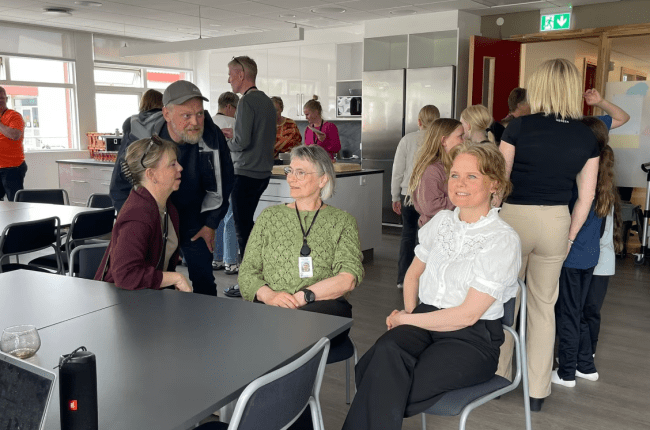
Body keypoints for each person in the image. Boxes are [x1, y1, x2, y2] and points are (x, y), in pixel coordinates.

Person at [342, 142, 521, 430]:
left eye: (472, 176)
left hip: (472, 339)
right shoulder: (441, 222)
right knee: (384, 357)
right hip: (425, 318)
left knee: (384, 381)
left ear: (494, 184)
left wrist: (407, 320)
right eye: (455, 175)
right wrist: (410, 316)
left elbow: (467, 315)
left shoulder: (502, 239)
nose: (459, 183)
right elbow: (412, 275)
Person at [497, 58, 600, 412]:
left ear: (538, 87)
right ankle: (537, 391)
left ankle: (499, 376)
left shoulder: (518, 127)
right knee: (544, 307)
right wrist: (569, 236)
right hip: (557, 220)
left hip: (515, 219)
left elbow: (499, 183)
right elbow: (586, 196)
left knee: (505, 301)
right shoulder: (586, 136)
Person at [109, 80, 234, 297]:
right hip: (153, 215)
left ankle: (209, 318)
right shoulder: (141, 135)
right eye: (186, 115)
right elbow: (120, 185)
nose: (195, 122)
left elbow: (226, 179)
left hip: (194, 216)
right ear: (166, 114)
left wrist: (211, 223)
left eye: (199, 114)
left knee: (204, 278)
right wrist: (135, 220)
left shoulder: (211, 135)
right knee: (154, 276)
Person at [238, 144, 363, 325]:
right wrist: (269, 295)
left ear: (322, 180)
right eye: (290, 171)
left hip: (321, 307)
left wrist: (304, 296)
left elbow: (347, 278)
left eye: (301, 173)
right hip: (272, 305)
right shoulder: (269, 217)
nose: (291, 178)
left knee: (296, 326)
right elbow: (247, 271)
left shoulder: (343, 221)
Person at [553, 117, 623, 388]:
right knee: (579, 312)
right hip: (590, 257)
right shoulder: (603, 178)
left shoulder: (580, 177)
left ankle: (566, 372)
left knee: (568, 314)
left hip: (572, 257)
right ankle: (586, 365)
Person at [96, 135, 191, 293]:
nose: (180, 168)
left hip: (146, 296)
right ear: (151, 174)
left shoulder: (167, 207)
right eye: (172, 164)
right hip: (122, 299)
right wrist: (176, 278)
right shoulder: (137, 215)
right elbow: (125, 275)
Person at [222, 56, 277, 298]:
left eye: (231, 74)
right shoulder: (266, 101)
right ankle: (259, 275)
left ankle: (249, 282)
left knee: (243, 230)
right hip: (262, 173)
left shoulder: (246, 102)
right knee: (247, 227)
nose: (229, 80)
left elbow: (242, 142)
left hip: (245, 173)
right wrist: (235, 135)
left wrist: (226, 142)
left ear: (242, 75)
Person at [391, 105, 440, 289]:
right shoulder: (439, 141)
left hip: (408, 195)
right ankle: (427, 280)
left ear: (419, 121)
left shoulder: (407, 140)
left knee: (408, 235)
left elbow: (397, 171)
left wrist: (395, 196)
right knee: (431, 239)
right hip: (431, 197)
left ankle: (403, 279)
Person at [407, 118, 463, 228]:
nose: (464, 141)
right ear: (444, 141)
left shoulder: (450, 164)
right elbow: (431, 206)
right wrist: (462, 198)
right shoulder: (432, 170)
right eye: (460, 136)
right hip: (435, 231)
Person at [211, 92, 240, 274]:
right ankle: (231, 261)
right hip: (231, 172)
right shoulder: (234, 124)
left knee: (218, 216)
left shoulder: (208, 123)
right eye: (236, 108)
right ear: (229, 107)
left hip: (212, 175)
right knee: (231, 217)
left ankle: (217, 259)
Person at [0, 86, 27, 202]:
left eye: (1, 98)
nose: (0, 100)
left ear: (6, 99)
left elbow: (15, 135)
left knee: (15, 203)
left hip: (12, 168)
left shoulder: (14, 116)